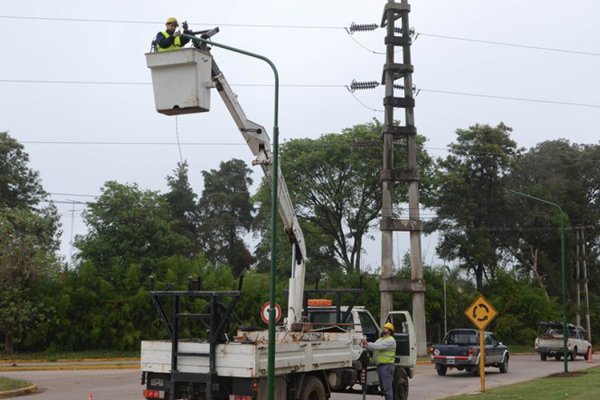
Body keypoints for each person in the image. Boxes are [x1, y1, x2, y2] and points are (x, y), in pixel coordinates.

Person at [361, 322, 396, 400]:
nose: (384, 329)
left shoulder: (390, 340)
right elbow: (373, 346)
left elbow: (378, 347)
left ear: (390, 331)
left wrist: (367, 343)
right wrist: (365, 345)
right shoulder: (381, 339)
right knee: (384, 388)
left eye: (386, 328)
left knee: (387, 389)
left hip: (386, 366)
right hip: (381, 366)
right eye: (384, 328)